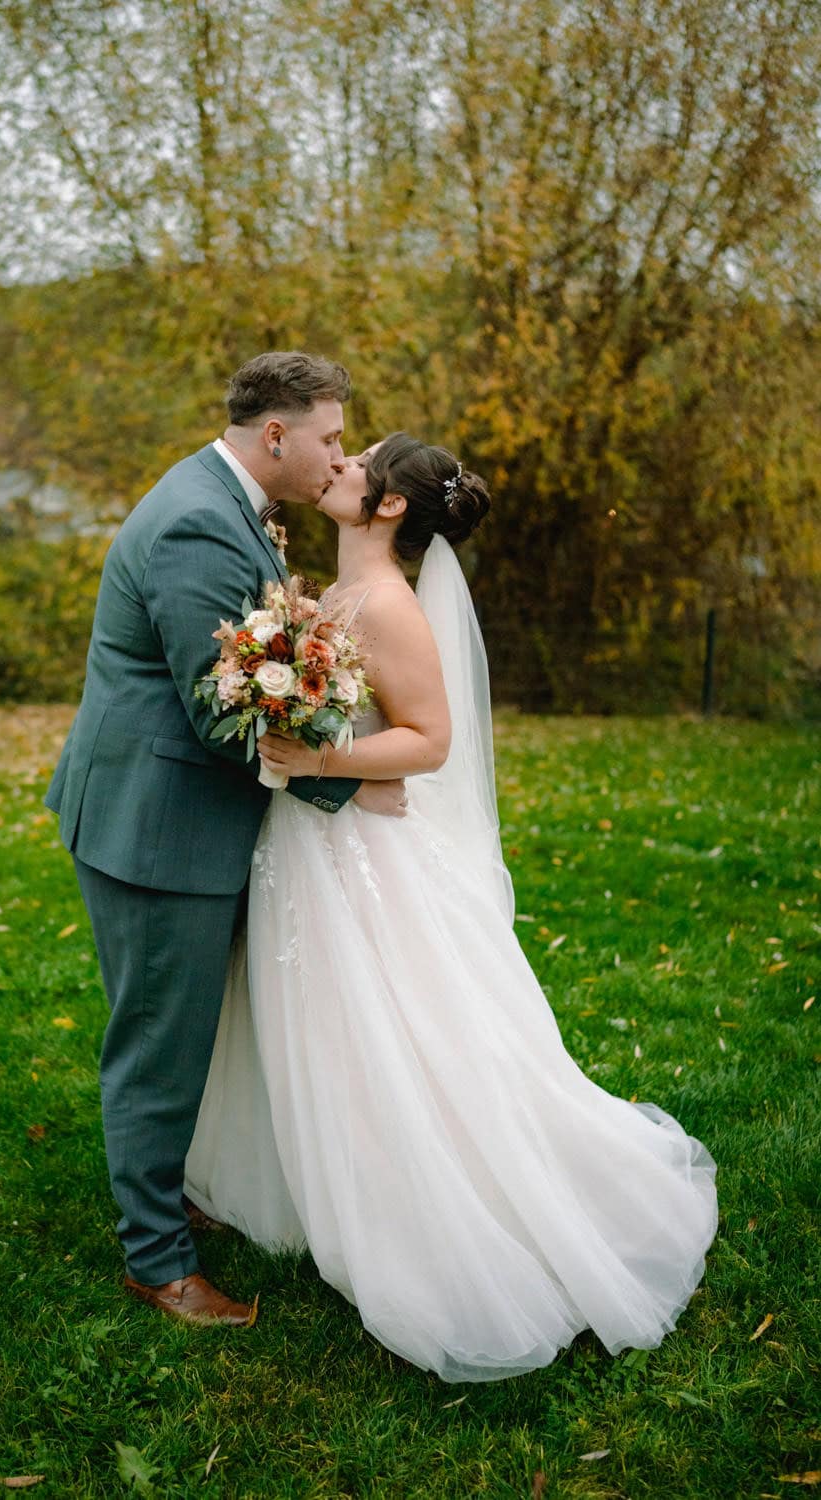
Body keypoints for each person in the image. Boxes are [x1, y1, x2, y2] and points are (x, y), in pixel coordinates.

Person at [184, 433, 718, 1380]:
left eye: (360, 463)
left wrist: (320, 758)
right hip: (313, 844)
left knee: (390, 1029)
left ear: (389, 507)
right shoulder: (332, 595)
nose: (339, 466)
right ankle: (327, 1181)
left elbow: (429, 742)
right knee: (321, 1025)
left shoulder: (387, 605)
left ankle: (430, 1204)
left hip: (361, 858)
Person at [44, 354, 409, 1329]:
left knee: (188, 1029)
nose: (340, 454)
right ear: (277, 436)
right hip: (154, 829)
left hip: (175, 813)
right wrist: (359, 775)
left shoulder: (224, 498)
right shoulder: (200, 519)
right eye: (330, 436)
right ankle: (156, 1261)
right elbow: (225, 716)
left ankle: (170, 1194)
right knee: (159, 1046)